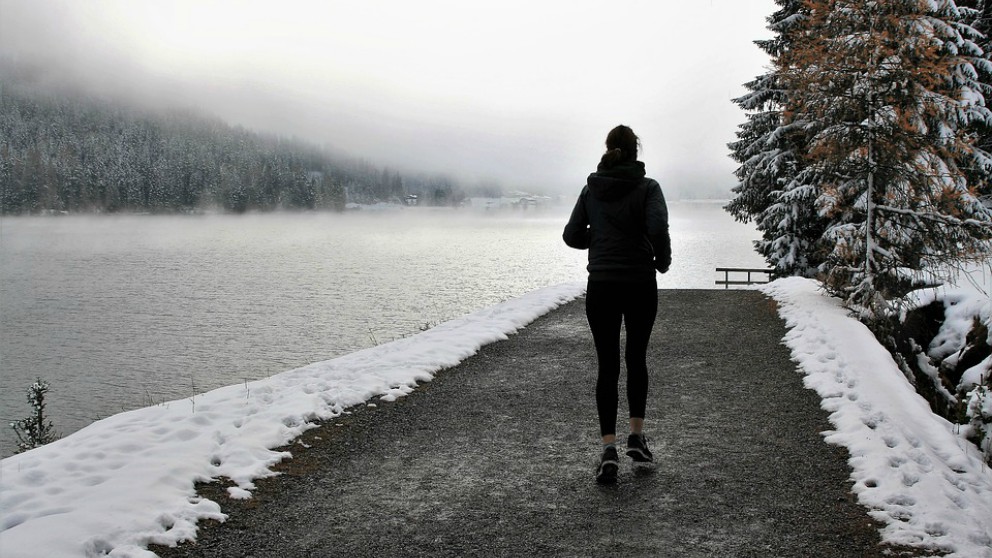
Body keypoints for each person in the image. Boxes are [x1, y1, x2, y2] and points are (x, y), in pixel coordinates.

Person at [562, 124, 671, 484]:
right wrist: (662, 260)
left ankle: (608, 449)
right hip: (640, 282)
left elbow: (571, 235)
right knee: (636, 358)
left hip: (602, 285)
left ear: (608, 149)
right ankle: (636, 439)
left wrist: (601, 238)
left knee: (607, 365)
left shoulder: (592, 188)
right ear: (635, 151)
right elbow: (657, 229)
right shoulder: (648, 187)